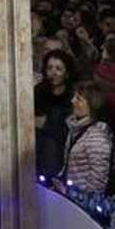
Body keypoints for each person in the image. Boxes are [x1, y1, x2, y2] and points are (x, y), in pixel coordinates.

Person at [62, 81, 115, 193]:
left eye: (78, 99)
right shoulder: (75, 128)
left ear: (92, 105)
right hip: (70, 194)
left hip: (81, 200)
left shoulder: (98, 138)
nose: (72, 101)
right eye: (74, 96)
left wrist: (80, 198)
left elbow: (98, 183)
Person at [35, 49, 78, 179]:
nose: (53, 73)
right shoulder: (39, 91)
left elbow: (70, 133)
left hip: (59, 152)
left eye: (58, 69)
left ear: (66, 73)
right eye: (50, 68)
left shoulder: (73, 97)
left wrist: (45, 125)